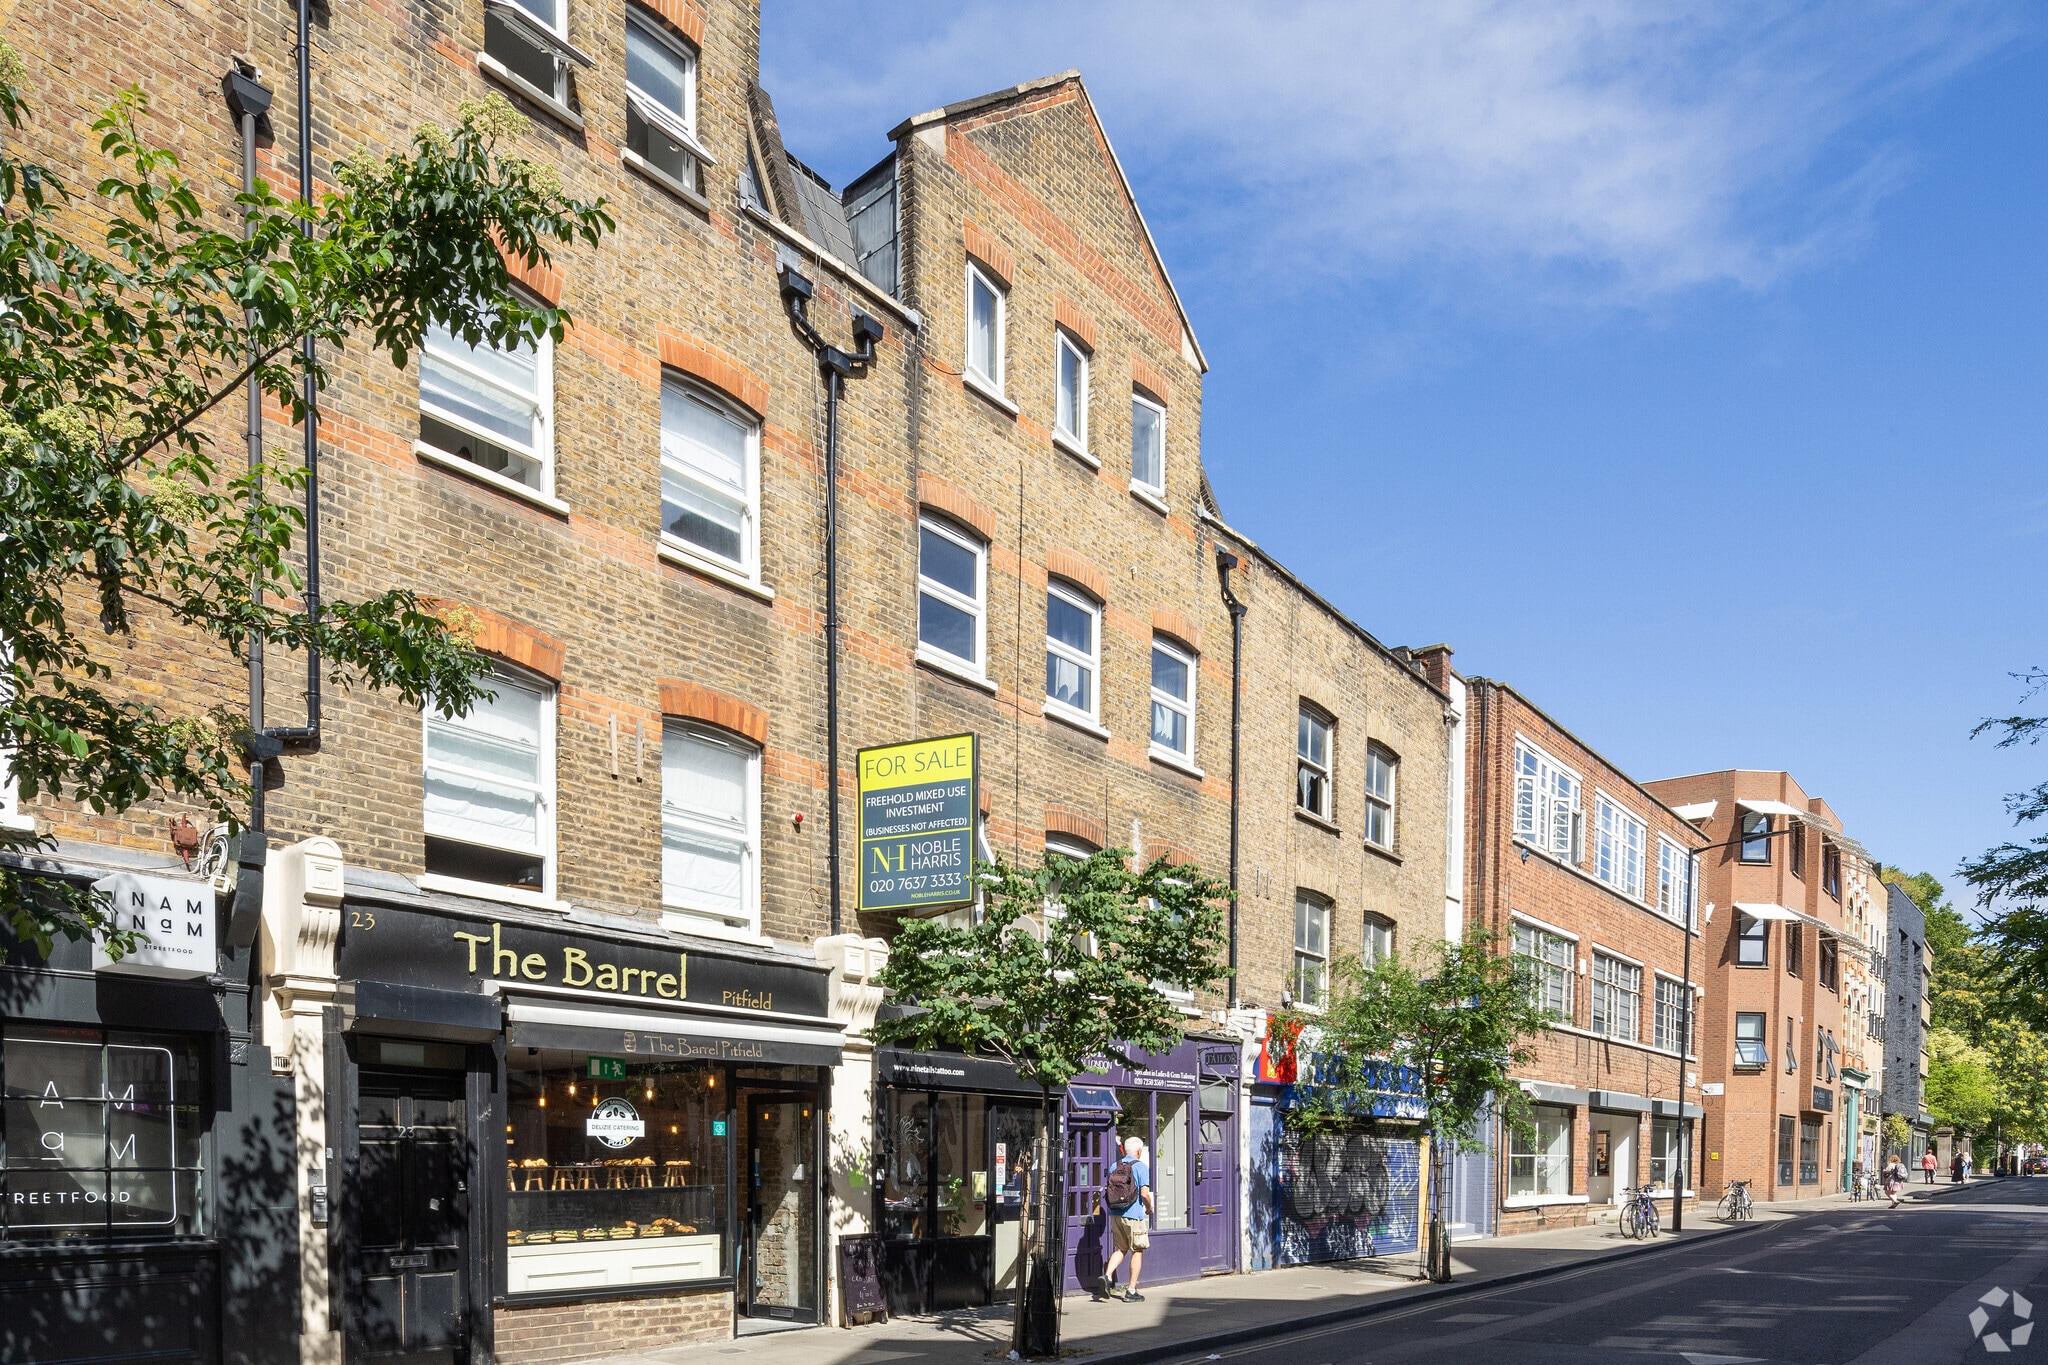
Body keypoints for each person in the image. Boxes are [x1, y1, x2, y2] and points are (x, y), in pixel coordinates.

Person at [1096, 1135, 1153, 1303]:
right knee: (1137, 1250)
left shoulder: (1116, 1165)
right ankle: (1131, 1290)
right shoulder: (1141, 1167)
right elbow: (1144, 1194)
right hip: (1133, 1215)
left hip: (1116, 1213)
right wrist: (1149, 1207)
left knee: (1121, 1248)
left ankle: (1107, 1276)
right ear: (1139, 1151)